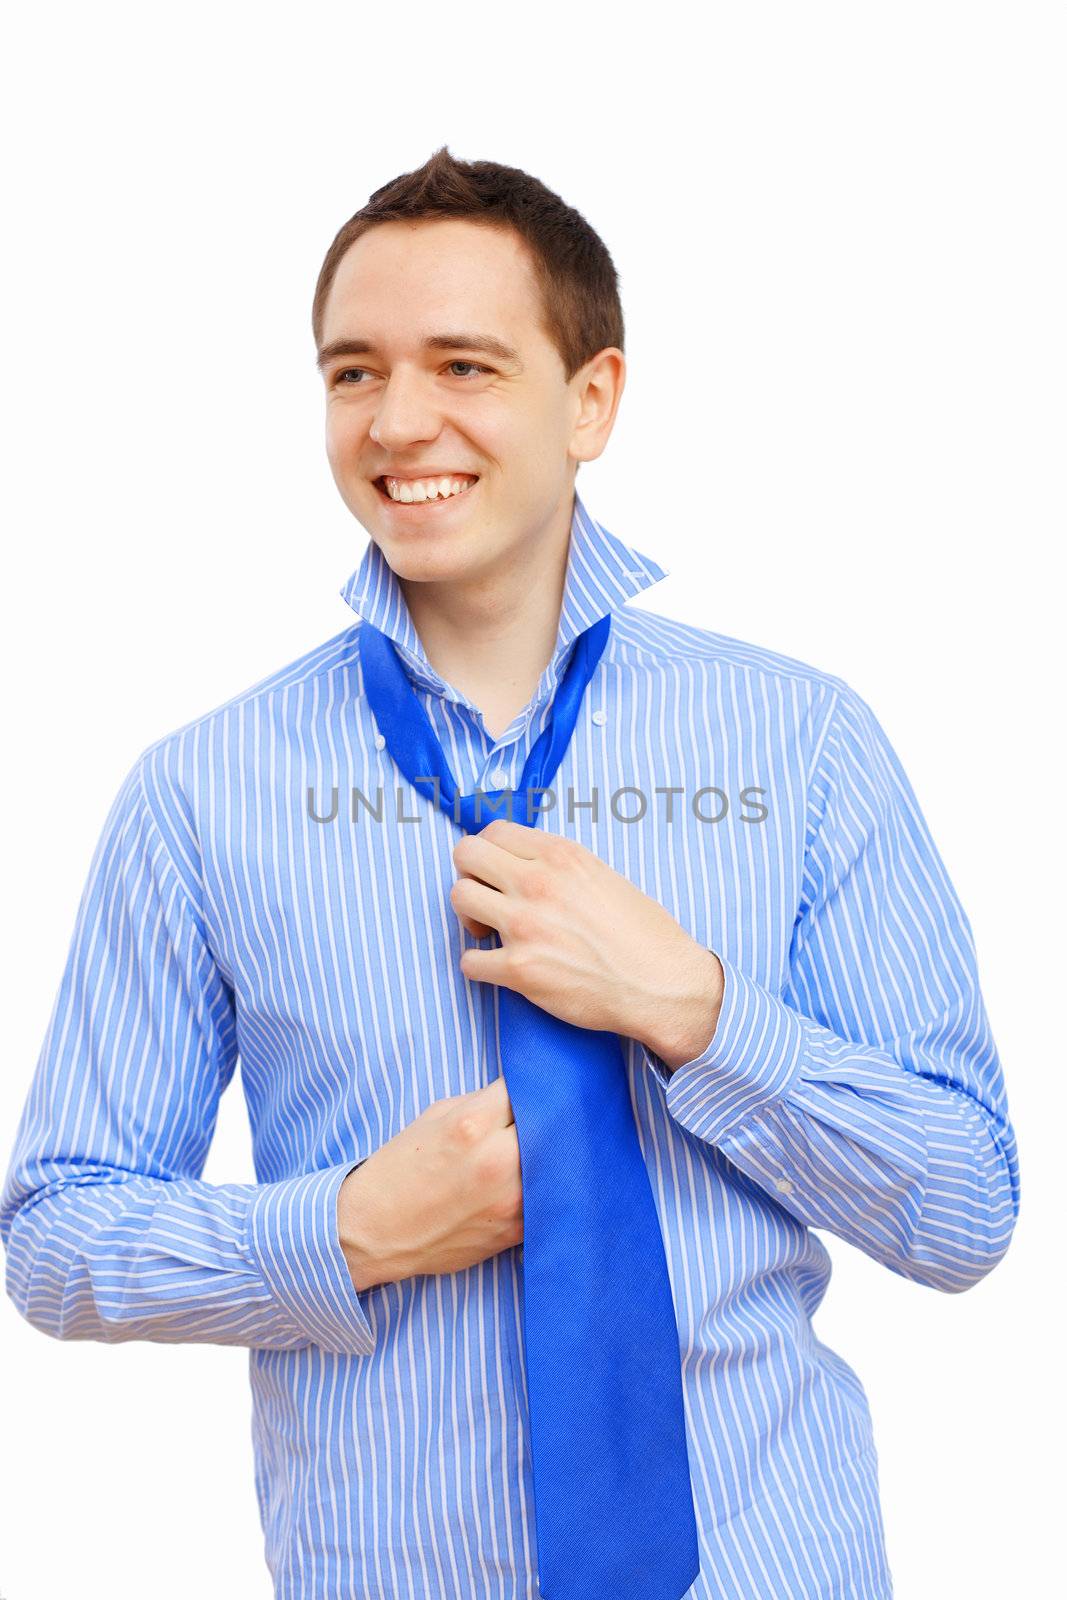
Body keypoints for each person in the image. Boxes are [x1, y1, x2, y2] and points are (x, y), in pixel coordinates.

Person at [1, 145, 1020, 1600]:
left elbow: (965, 1207)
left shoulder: (802, 743)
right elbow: (56, 1235)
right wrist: (350, 1227)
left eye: (463, 364)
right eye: (352, 372)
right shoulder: (197, 794)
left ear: (591, 398)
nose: (399, 421)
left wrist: (700, 1010)